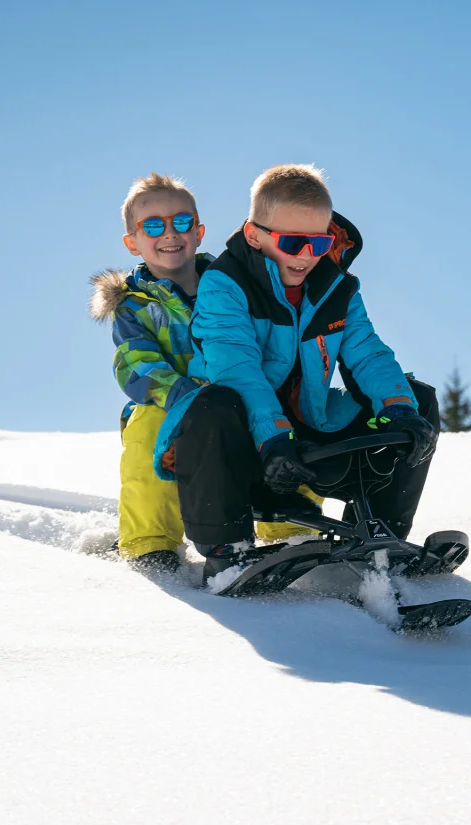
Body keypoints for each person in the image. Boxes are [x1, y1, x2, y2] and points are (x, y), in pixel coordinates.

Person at [153, 164, 439, 581]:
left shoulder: (338, 289)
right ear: (255, 235)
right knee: (216, 402)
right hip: (240, 444)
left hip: (306, 433)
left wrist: (399, 407)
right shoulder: (225, 285)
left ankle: (385, 537)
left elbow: (367, 354)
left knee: (417, 399)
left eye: (319, 242)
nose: (307, 255)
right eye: (292, 242)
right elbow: (237, 371)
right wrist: (273, 437)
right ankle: (227, 555)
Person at [90, 172, 212, 571]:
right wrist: (185, 396)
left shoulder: (231, 288)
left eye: (181, 221)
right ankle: (151, 544)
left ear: (199, 231)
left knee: (282, 414)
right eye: (154, 225)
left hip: (236, 397)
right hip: (170, 403)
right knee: (147, 426)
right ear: (133, 242)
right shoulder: (134, 306)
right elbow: (136, 363)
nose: (170, 233)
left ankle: (288, 534)